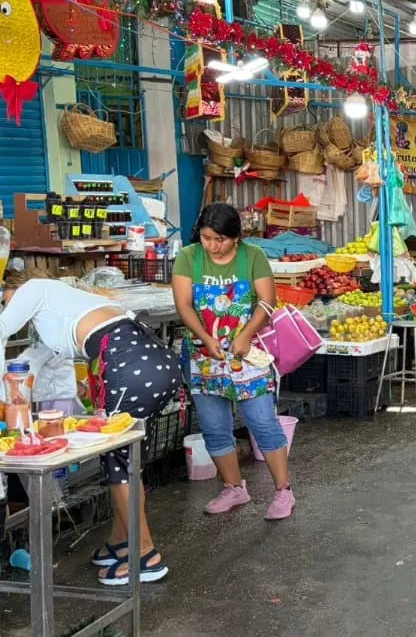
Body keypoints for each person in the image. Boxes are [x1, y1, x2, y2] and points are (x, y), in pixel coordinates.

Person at [0, 269, 180, 585]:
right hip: (154, 362)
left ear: (17, 288)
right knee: (129, 462)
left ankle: (145, 554)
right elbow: (31, 363)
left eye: (6, 301)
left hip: (128, 363)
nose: (8, 307)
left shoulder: (35, 288)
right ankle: (122, 541)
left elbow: (1, 329)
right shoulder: (63, 307)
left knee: (119, 463)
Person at [171, 204, 295, 520]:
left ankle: (283, 491)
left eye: (221, 239)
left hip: (248, 354)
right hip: (204, 356)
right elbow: (184, 305)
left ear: (236, 237)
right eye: (206, 238)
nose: (213, 246)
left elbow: (268, 301)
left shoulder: (253, 256)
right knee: (214, 427)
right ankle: (234, 488)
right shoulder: (188, 257)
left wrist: (246, 334)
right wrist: (204, 337)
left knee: (262, 422)